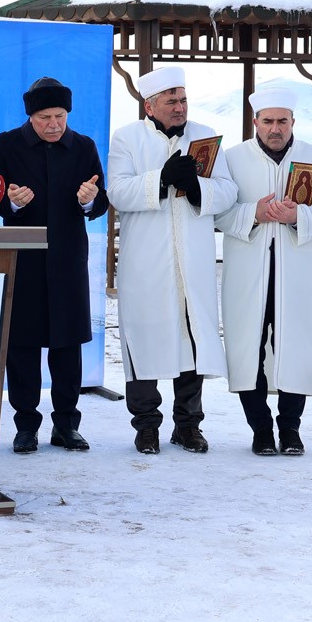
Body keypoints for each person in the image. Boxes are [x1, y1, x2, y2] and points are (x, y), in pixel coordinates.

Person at [107, 66, 237, 454]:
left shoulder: (205, 137)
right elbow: (117, 191)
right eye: (171, 101)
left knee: (191, 339)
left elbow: (228, 191)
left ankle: (188, 424)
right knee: (144, 338)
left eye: (183, 100)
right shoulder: (127, 138)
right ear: (150, 105)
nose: (180, 107)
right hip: (146, 261)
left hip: (193, 259)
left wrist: (197, 187)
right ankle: (146, 425)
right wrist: (161, 179)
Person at [0, 77, 108, 453]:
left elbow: (100, 203)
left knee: (67, 345)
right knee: (21, 346)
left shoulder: (83, 146)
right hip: (23, 260)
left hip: (68, 258)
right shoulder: (7, 145)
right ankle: (25, 426)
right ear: (30, 116)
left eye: (60, 116)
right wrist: (14, 203)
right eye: (44, 118)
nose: (54, 125)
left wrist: (90, 200)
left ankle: (67, 425)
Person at [217, 88, 312, 456]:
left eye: (282, 121)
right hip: (247, 271)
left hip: (296, 272)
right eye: (268, 121)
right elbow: (217, 210)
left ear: (293, 123)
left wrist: (297, 216)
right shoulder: (232, 159)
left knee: (295, 348)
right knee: (246, 349)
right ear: (255, 121)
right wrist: (252, 214)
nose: (275, 129)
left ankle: (290, 428)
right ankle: (260, 429)